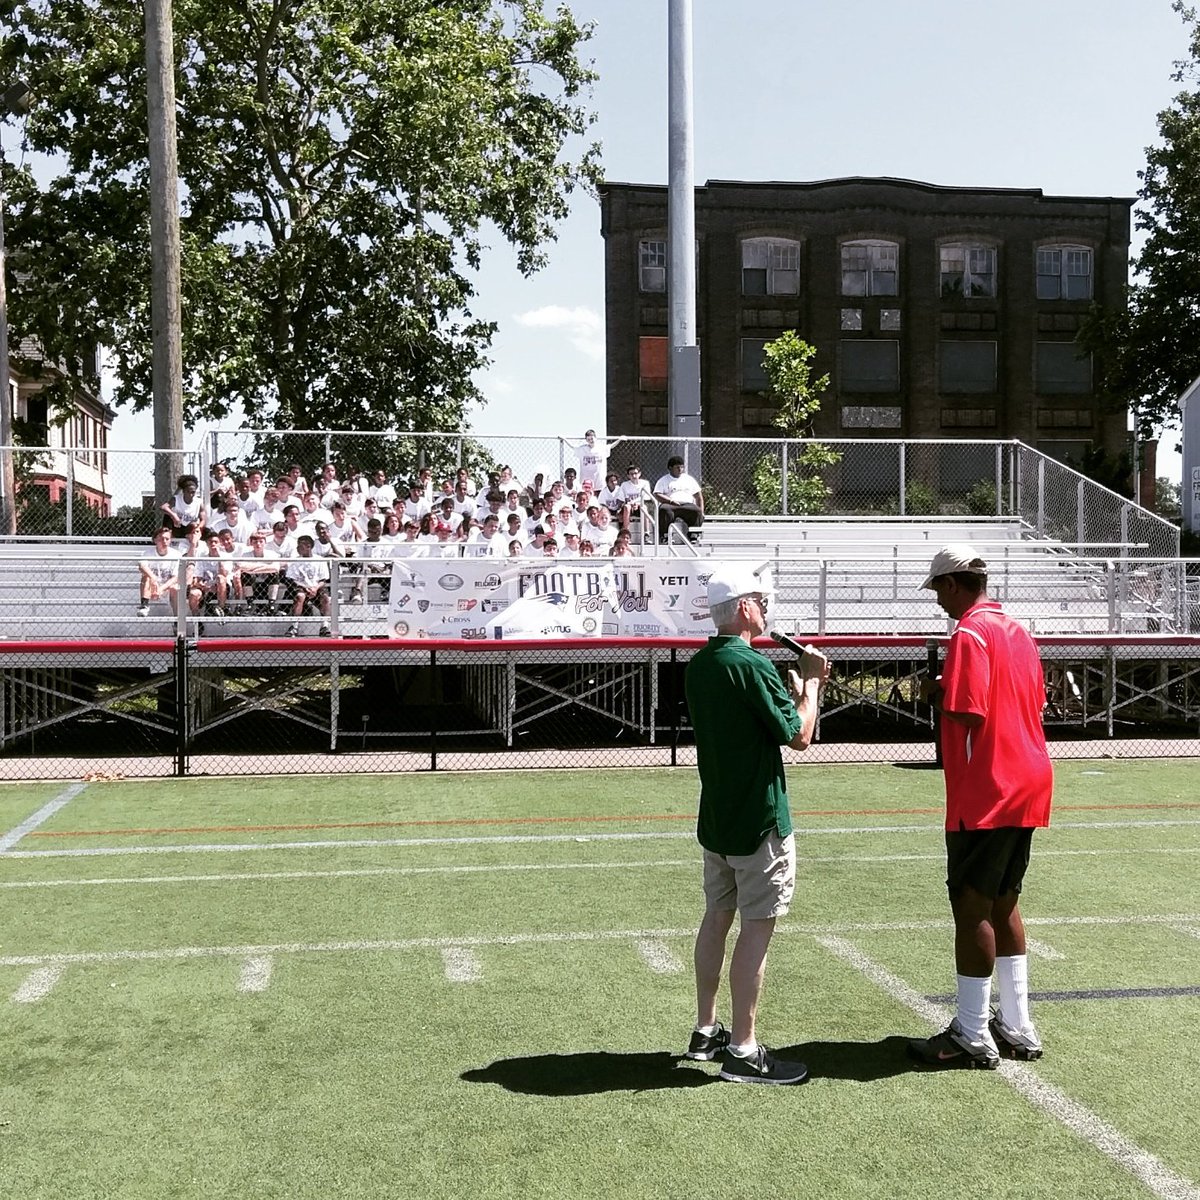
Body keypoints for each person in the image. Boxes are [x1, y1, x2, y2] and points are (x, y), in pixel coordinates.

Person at [908, 544, 1053, 1070]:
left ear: (951, 584)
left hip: (988, 785)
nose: (939, 602)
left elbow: (968, 711)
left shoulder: (968, 633)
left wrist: (932, 692)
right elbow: (1030, 701)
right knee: (1004, 900)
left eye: (939, 591)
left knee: (971, 905)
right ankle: (1017, 1025)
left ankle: (972, 1030)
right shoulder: (1018, 631)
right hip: (1030, 776)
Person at [684, 564, 829, 1085]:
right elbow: (800, 737)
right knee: (756, 928)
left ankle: (706, 1029)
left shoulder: (701, 664)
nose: (766, 610)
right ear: (744, 606)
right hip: (759, 818)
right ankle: (744, 1048)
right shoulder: (751, 664)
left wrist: (790, 697)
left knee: (716, 915)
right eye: (761, 601)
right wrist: (811, 686)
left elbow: (756, 726)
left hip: (719, 814)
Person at [653, 456, 705, 542]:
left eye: (682, 467)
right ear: (670, 468)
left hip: (687, 505)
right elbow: (657, 494)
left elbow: (699, 496)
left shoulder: (689, 479)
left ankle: (693, 535)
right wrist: (671, 501)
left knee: (697, 511)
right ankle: (665, 536)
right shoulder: (663, 480)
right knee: (664, 510)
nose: (680, 469)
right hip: (670, 505)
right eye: (677, 467)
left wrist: (701, 511)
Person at [137, 527, 184, 615]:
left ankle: (177, 620)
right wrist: (153, 579)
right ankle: (144, 606)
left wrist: (161, 589)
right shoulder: (147, 553)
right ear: (155, 540)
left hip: (167, 586)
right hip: (152, 586)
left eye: (167, 539)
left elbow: (175, 577)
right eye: (161, 539)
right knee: (146, 578)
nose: (164, 541)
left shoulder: (176, 554)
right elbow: (141, 566)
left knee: (175, 588)